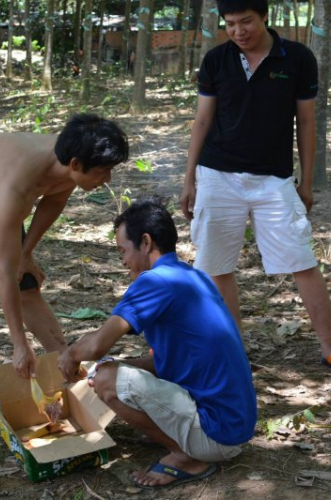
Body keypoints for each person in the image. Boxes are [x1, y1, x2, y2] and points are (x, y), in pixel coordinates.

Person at [180, 0, 331, 373]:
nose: (237, 31)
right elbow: (202, 121)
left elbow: (307, 122)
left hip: (274, 179)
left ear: (265, 17)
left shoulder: (296, 58)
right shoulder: (216, 61)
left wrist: (306, 181)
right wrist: (189, 178)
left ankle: (330, 347)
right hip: (217, 175)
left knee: (302, 259)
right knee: (217, 265)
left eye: (245, 21)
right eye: (229, 24)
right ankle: (235, 350)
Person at [0, 114, 130, 431]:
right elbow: (4, 272)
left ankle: (67, 365)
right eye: (103, 171)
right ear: (75, 163)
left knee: (28, 286)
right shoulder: (21, 178)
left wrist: (26, 253)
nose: (108, 179)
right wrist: (19, 344)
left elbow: (52, 203)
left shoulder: (68, 168)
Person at [58, 197, 257, 489]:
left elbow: (97, 345)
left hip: (216, 435)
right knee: (113, 371)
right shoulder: (192, 276)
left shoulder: (155, 282)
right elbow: (168, 360)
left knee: (107, 379)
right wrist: (117, 366)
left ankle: (184, 454)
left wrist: (71, 355)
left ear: (146, 242)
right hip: (235, 427)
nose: (123, 261)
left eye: (123, 250)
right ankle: (180, 439)